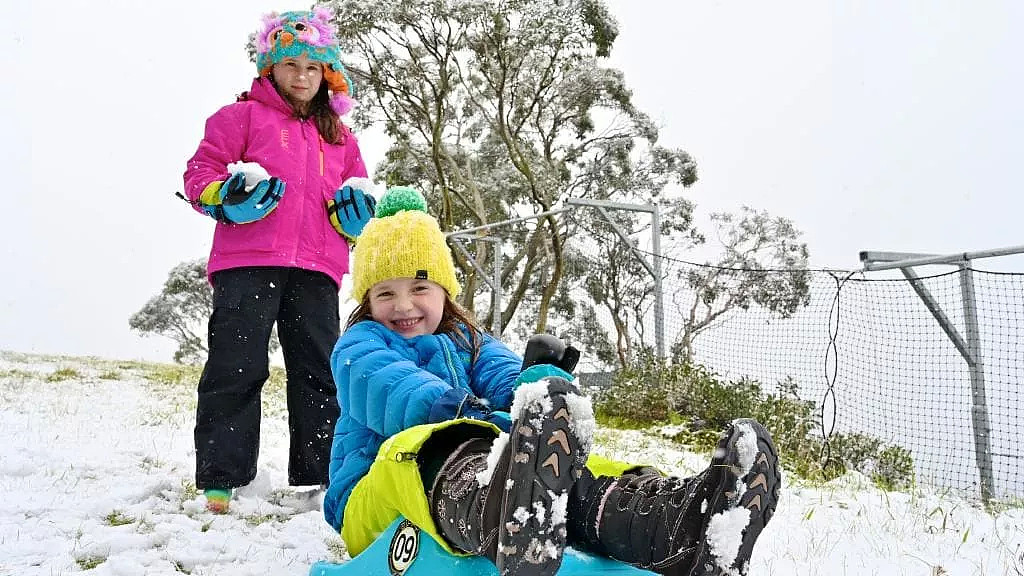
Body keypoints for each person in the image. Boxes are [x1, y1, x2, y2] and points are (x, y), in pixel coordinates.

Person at [322, 186, 782, 576]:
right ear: (367, 300)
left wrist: (540, 385)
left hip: (488, 469)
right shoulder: (359, 344)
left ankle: (676, 526)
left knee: (568, 466)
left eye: (419, 288)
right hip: (373, 496)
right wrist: (464, 412)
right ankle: (503, 515)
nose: (403, 305)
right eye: (386, 293)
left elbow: (507, 376)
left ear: (445, 291)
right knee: (423, 447)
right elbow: (390, 386)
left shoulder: (470, 341)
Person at [181, 8, 377, 514]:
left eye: (313, 68)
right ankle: (222, 480)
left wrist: (358, 221)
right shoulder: (239, 118)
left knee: (319, 371)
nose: (302, 76)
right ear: (271, 68)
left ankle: (322, 479)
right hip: (247, 261)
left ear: (326, 75)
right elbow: (199, 172)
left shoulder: (342, 139)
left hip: (316, 268)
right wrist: (223, 195)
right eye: (291, 65)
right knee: (236, 364)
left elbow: (358, 194)